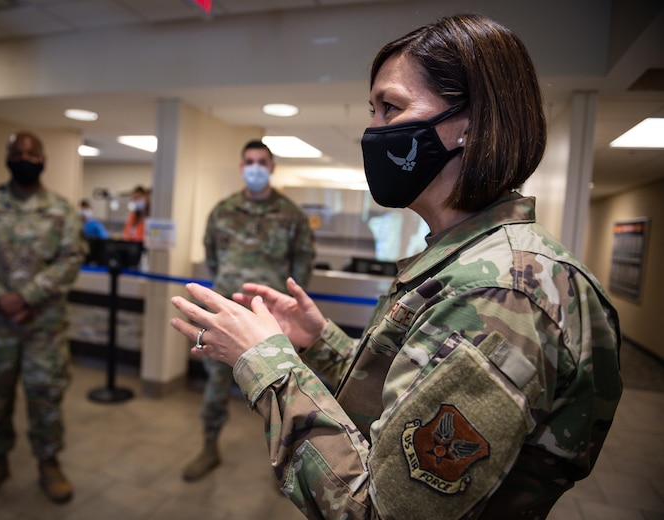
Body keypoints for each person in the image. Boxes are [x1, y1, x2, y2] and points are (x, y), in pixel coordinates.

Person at [170, 14, 622, 519]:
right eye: (373, 110)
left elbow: (380, 511)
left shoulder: (499, 294)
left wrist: (266, 363)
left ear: (469, 127)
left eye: (392, 108)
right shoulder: (462, 259)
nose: (374, 130)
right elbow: (399, 406)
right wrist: (319, 341)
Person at [0, 131, 86, 504]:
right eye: (18, 151)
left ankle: (49, 463)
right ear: (8, 157)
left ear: (43, 159)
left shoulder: (61, 210)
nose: (25, 156)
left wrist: (28, 297)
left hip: (43, 327)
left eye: (32, 151)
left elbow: (71, 259)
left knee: (46, 397)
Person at [181, 139, 316, 482]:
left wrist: (285, 309)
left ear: (271, 167)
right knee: (214, 385)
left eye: (261, 161)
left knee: (277, 394)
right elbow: (212, 256)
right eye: (249, 161)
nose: (255, 167)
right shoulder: (223, 211)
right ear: (242, 167)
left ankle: (284, 466)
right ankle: (209, 446)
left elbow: (302, 265)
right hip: (225, 315)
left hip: (268, 323)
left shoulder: (291, 215)